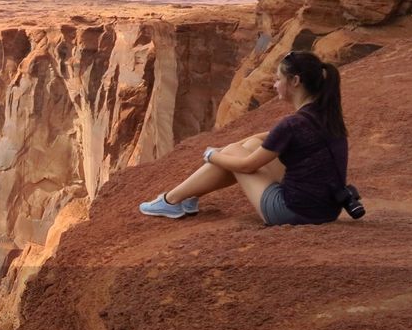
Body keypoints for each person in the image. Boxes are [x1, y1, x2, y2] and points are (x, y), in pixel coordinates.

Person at [139, 50, 352, 225]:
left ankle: (172, 199)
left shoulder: (292, 124)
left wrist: (212, 154)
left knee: (233, 152)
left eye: (278, 79)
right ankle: (189, 196)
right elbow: (271, 137)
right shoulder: (324, 115)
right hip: (327, 209)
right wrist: (243, 144)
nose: (274, 85)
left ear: (295, 81)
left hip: (291, 212)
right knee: (251, 144)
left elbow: (248, 166)